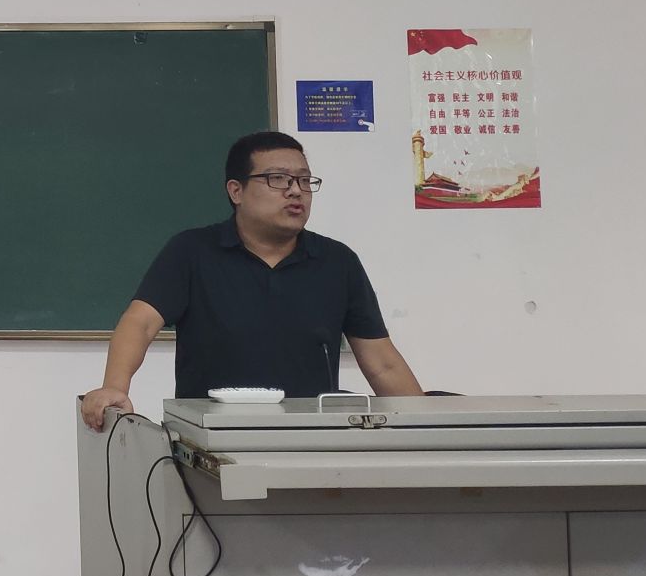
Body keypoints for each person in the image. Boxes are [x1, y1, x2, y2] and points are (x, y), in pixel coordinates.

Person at [80, 131, 422, 430]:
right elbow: (140, 323)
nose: (296, 191)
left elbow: (383, 363)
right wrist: (115, 387)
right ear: (236, 191)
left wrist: (429, 423)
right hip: (210, 438)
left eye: (304, 181)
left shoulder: (337, 262)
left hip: (312, 436)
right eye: (278, 179)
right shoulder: (192, 251)